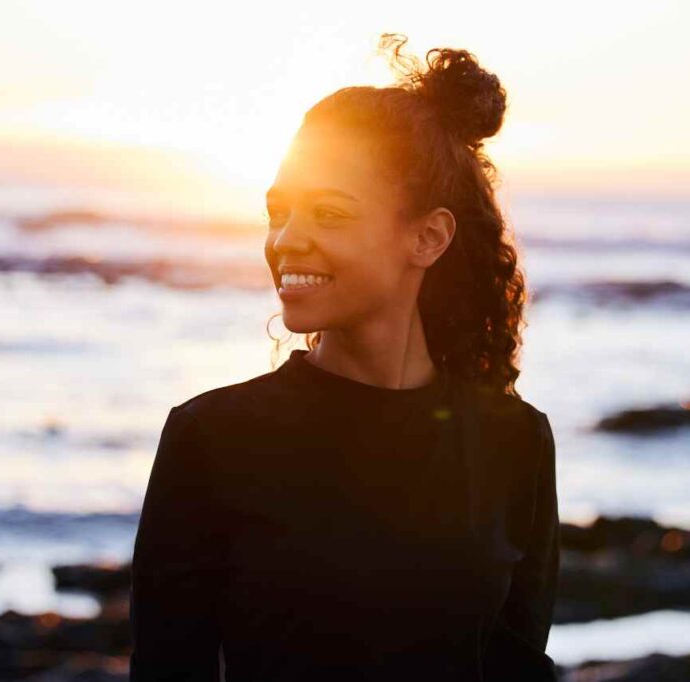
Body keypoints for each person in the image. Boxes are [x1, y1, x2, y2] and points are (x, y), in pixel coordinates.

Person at [129, 33, 560, 681]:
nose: (287, 240)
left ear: (428, 237)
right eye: (279, 212)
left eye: (329, 213)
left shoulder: (515, 444)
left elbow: (518, 668)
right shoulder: (210, 438)